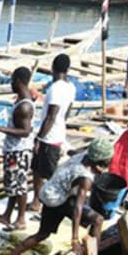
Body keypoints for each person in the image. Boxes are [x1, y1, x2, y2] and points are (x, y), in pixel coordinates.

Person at [0, 137, 115, 255]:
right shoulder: (85, 178)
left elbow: (73, 155)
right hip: (57, 200)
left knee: (42, 233)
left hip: (50, 192)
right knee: (98, 220)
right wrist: (75, 238)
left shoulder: (83, 156)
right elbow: (78, 207)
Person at [0, 66, 35, 231]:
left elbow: (25, 131)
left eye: (13, 81)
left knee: (19, 185)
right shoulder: (21, 101)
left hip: (19, 151)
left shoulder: (25, 107)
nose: (11, 84)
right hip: (13, 150)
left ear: (19, 81)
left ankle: (21, 219)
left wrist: (0, 128)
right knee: (12, 185)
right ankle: (7, 214)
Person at [31, 54, 75, 212]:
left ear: (53, 68)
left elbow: (51, 116)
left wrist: (39, 138)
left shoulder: (55, 89)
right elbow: (67, 112)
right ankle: (37, 201)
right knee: (37, 170)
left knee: (46, 173)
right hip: (57, 133)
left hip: (50, 137)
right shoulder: (71, 87)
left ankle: (47, 205)